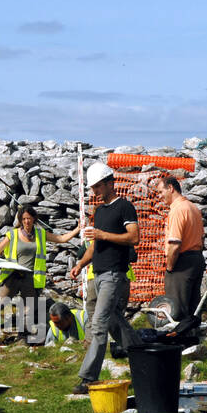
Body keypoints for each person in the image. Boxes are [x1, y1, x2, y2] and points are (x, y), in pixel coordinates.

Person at [69, 163, 140, 394]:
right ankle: (141, 354)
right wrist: (80, 264)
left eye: (97, 186)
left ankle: (88, 378)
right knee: (112, 321)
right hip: (97, 275)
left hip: (114, 275)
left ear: (110, 183)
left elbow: (134, 237)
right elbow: (95, 246)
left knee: (98, 324)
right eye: (92, 187)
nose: (94, 192)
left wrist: (102, 234)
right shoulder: (99, 212)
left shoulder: (125, 207)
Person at [0, 204, 82, 340]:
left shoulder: (40, 234)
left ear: (34, 219)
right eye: (23, 219)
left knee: (28, 309)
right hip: (13, 276)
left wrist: (78, 228)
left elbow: (61, 239)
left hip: (31, 278)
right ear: (20, 220)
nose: (26, 222)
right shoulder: (13, 234)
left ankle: (23, 336)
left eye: (29, 218)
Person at [155, 173, 205, 322]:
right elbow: (202, 238)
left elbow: (175, 244)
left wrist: (170, 267)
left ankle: (179, 342)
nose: (159, 196)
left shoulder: (177, 210)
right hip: (196, 259)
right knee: (193, 307)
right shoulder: (193, 208)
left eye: (160, 192)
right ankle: (194, 340)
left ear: (170, 188)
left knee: (176, 308)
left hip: (182, 263)